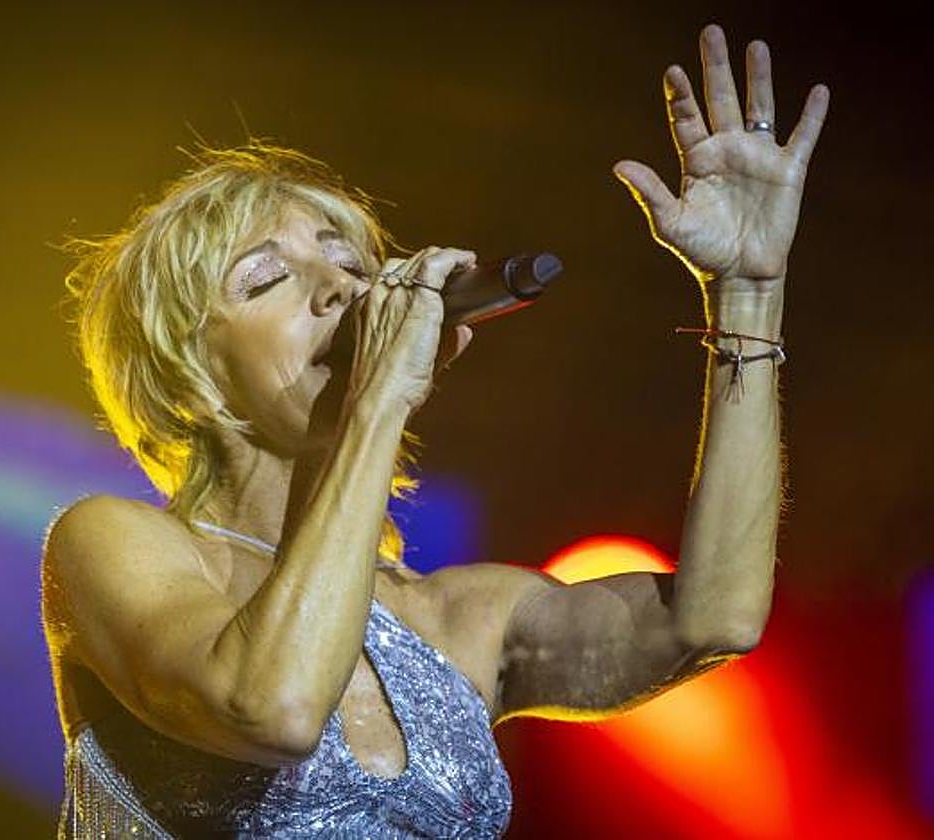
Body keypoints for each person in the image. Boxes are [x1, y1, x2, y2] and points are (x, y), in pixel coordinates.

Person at [41, 23, 829, 838]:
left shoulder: (457, 615)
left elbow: (711, 620)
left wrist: (747, 294)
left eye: (350, 263)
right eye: (267, 278)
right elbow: (272, 706)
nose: (338, 288)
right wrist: (377, 400)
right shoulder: (110, 544)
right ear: (185, 377)